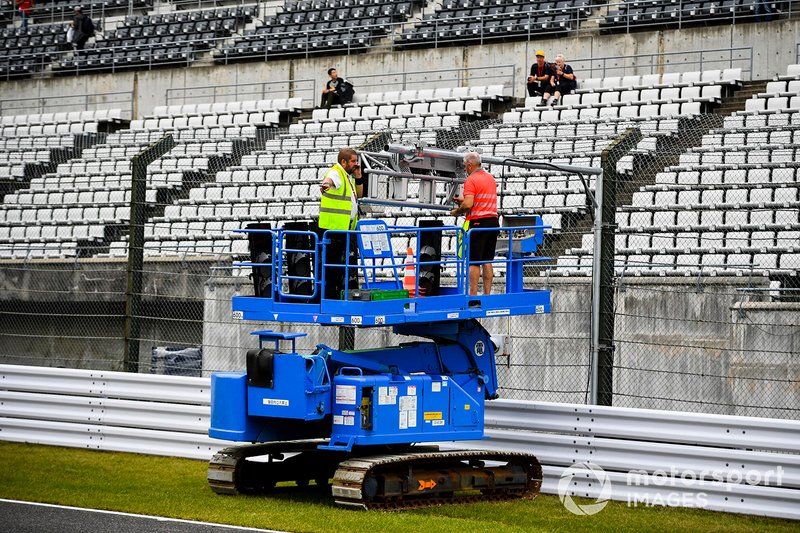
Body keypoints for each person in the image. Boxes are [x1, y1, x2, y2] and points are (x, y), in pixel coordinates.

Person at [318, 147, 364, 299]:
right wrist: (326, 184)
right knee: (333, 267)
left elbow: (359, 194)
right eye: (353, 161)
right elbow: (329, 180)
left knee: (343, 266)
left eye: (356, 161)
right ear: (343, 162)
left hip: (346, 229)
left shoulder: (348, 176)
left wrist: (358, 177)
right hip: (334, 229)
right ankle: (330, 298)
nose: (356, 164)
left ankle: (340, 296)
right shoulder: (336, 172)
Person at [450, 152, 499, 296]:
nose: (465, 169)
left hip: (478, 223)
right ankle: (487, 295)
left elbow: (468, 204)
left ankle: (473, 295)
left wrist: (457, 211)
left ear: (470, 165)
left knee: (474, 261)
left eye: (465, 166)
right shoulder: (490, 178)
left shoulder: (471, 180)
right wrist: (465, 202)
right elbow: (480, 199)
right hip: (493, 221)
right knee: (487, 260)